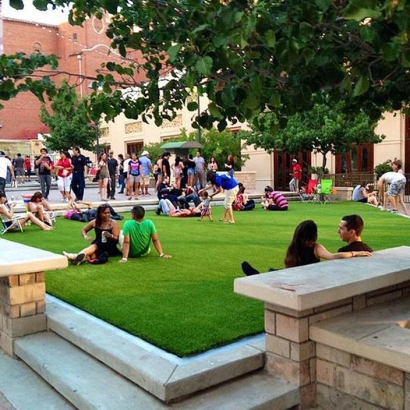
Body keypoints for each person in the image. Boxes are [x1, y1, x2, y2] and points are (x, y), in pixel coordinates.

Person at [241, 219, 372, 275]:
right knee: (275, 273)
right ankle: (263, 275)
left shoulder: (293, 246)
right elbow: (333, 256)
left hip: (293, 276)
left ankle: (260, 275)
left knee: (274, 273)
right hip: (305, 279)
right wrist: (355, 253)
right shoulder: (315, 247)